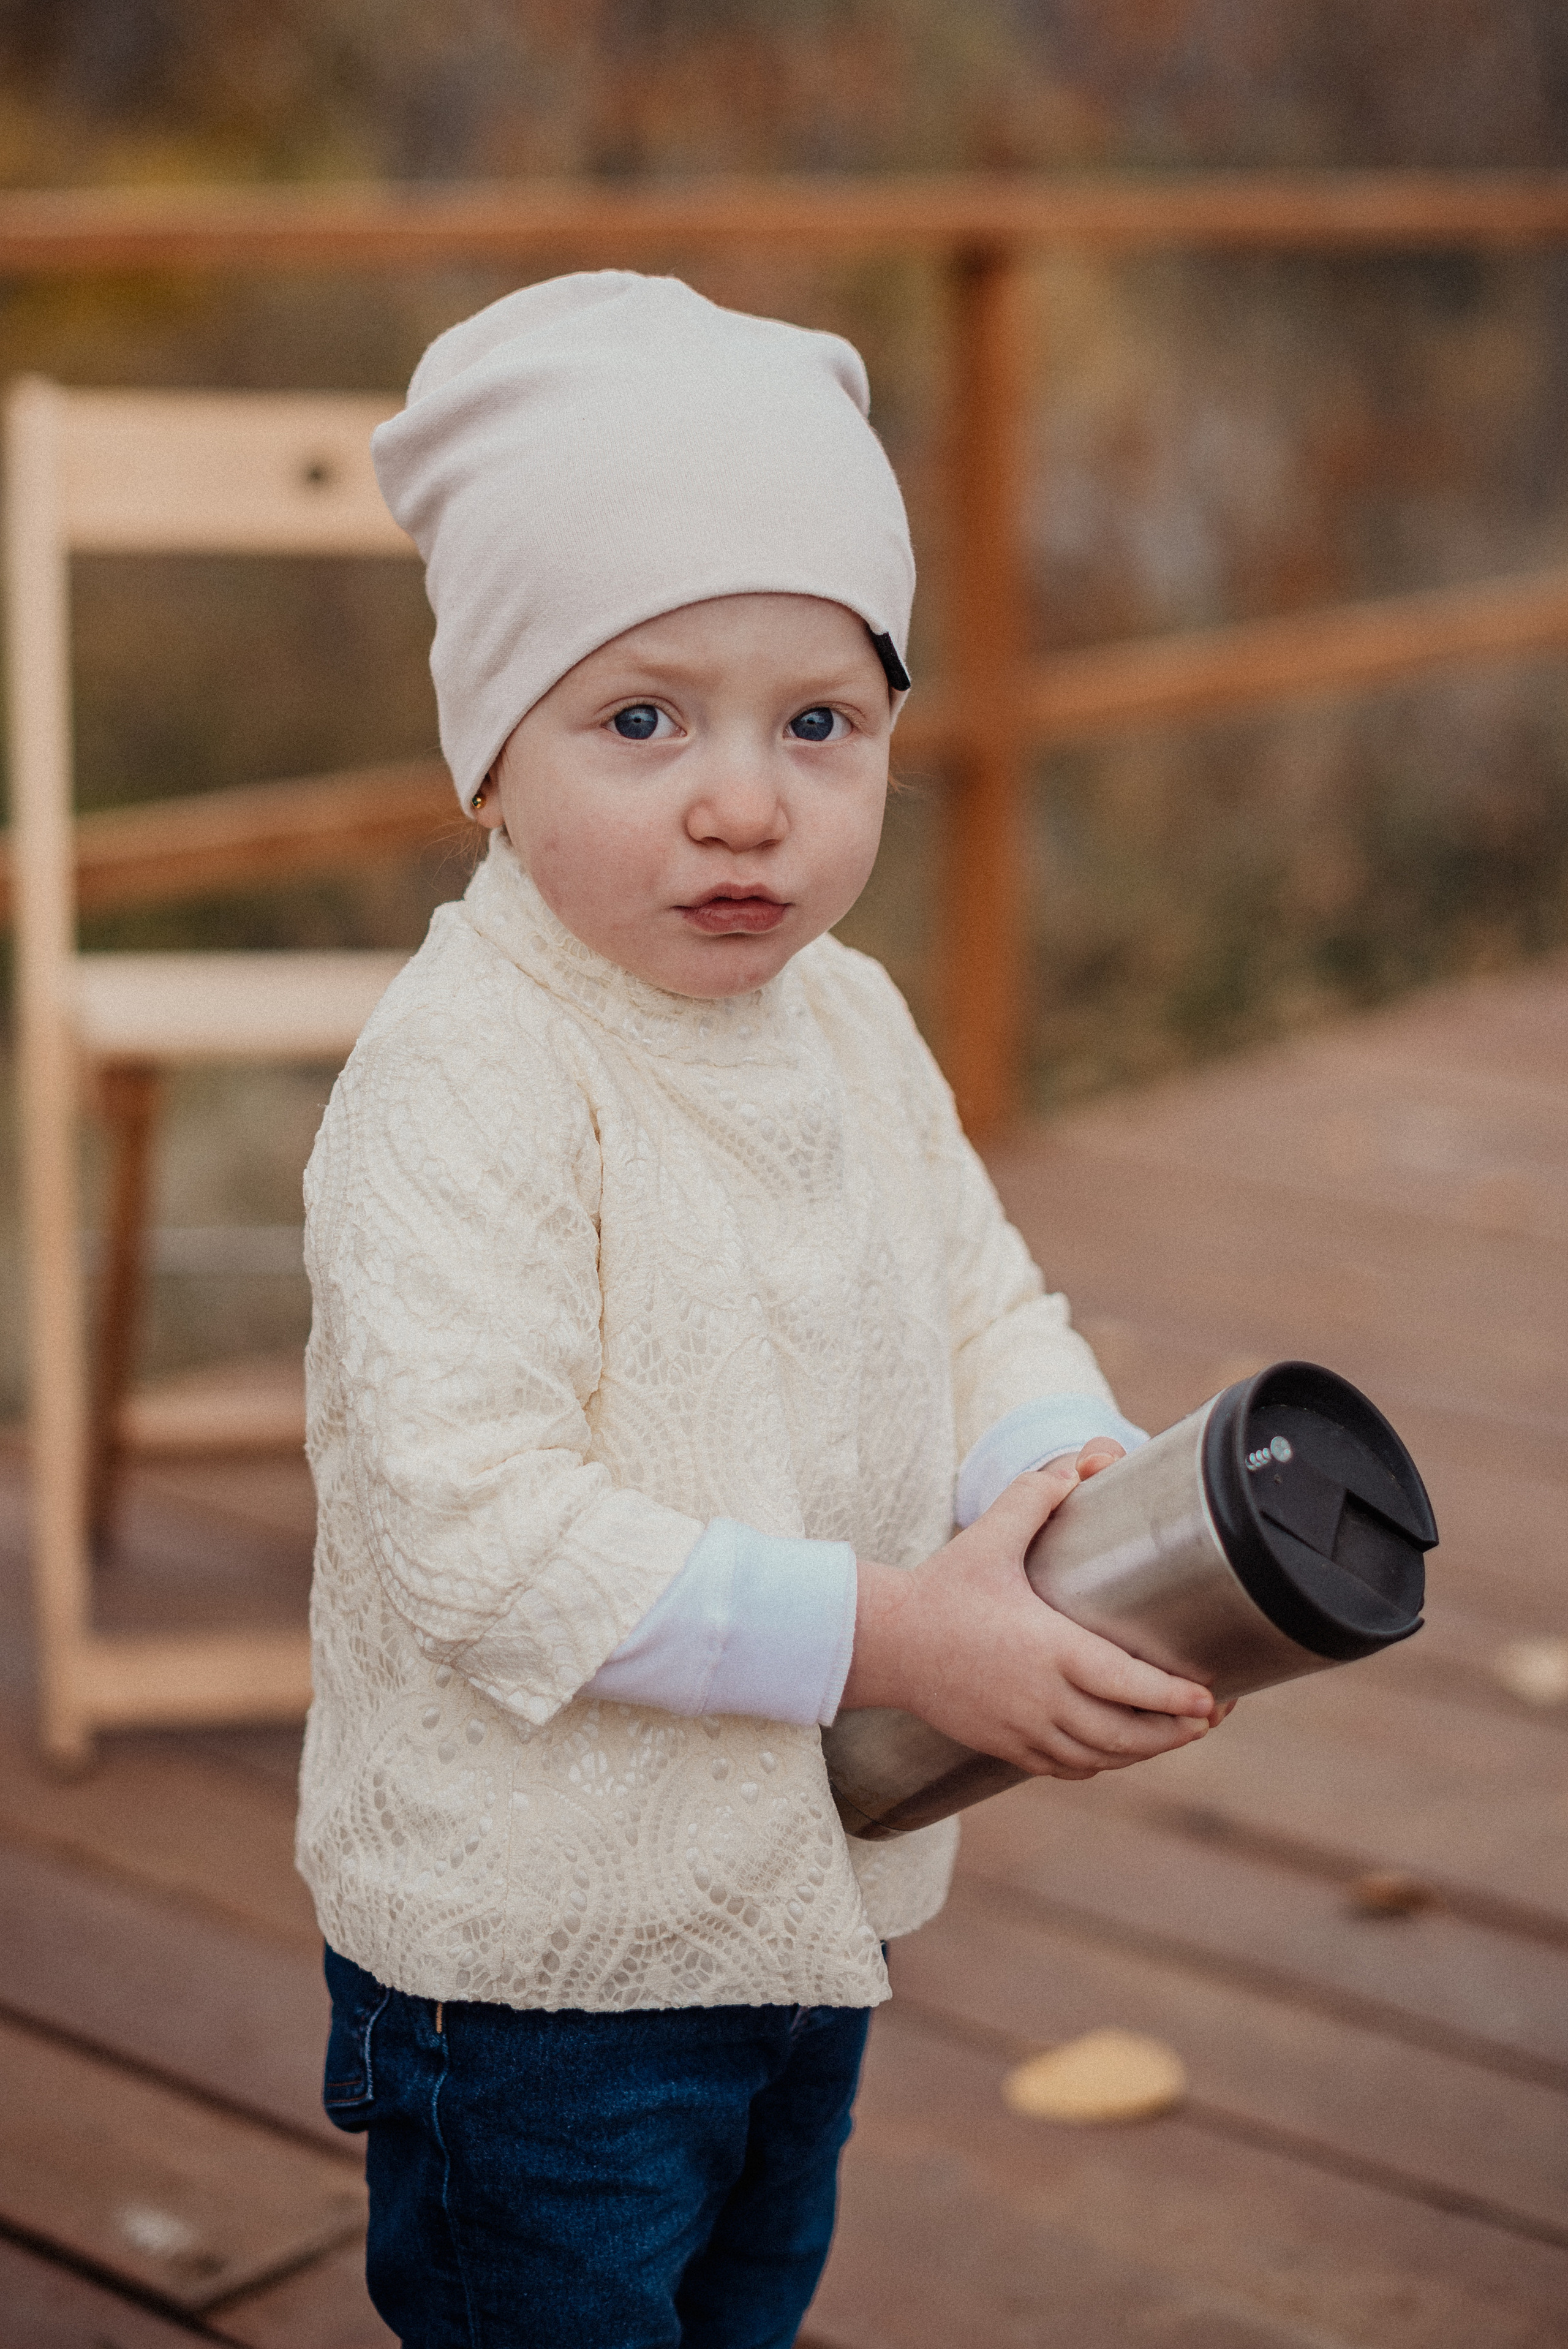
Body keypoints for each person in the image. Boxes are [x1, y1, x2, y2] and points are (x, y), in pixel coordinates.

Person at [296, 271, 1221, 2349]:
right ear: (491, 753)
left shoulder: (850, 1023)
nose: (746, 803)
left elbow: (981, 1288)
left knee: (747, 2297)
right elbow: (482, 1533)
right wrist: (911, 1634)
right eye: (642, 720)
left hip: (807, 1904)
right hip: (535, 1971)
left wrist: (1054, 1469)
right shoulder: (467, 1080)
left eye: (822, 722)